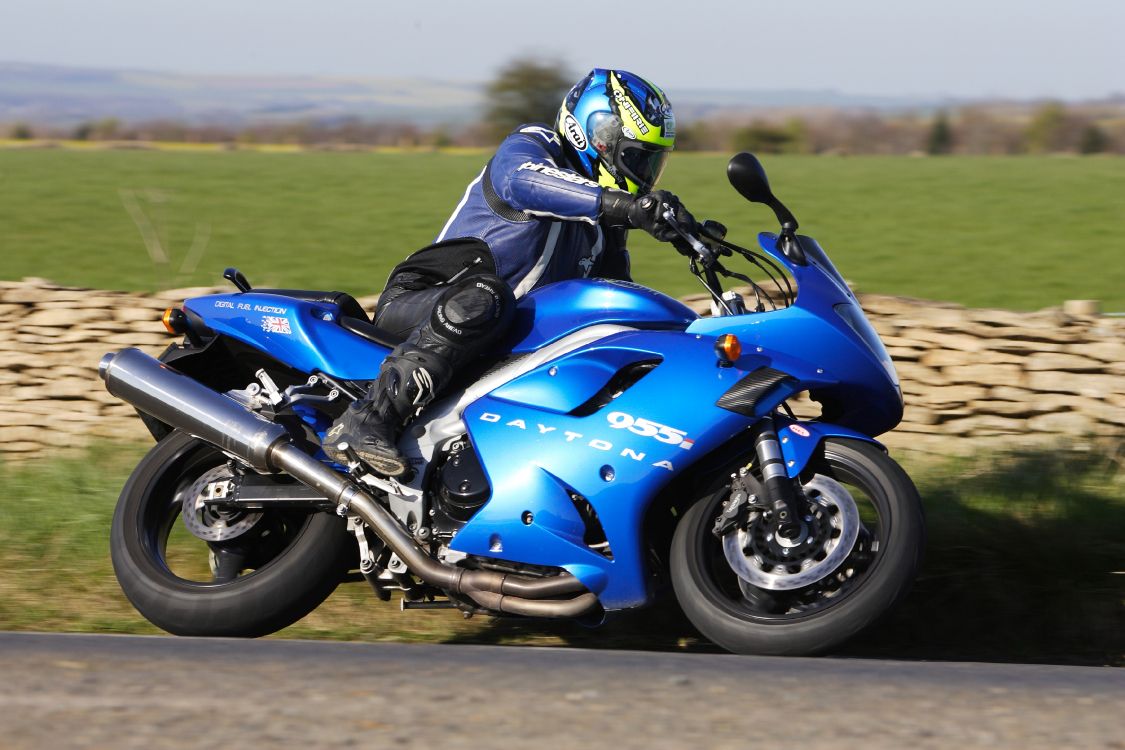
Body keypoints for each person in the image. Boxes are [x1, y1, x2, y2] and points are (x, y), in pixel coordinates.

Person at [325, 68, 697, 476]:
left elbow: (615, 302)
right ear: (593, 136)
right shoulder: (534, 146)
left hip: (498, 339)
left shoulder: (603, 228)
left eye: (651, 162)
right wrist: (624, 207)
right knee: (487, 297)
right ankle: (367, 418)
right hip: (427, 306)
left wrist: (688, 237)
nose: (642, 174)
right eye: (635, 157)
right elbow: (520, 181)